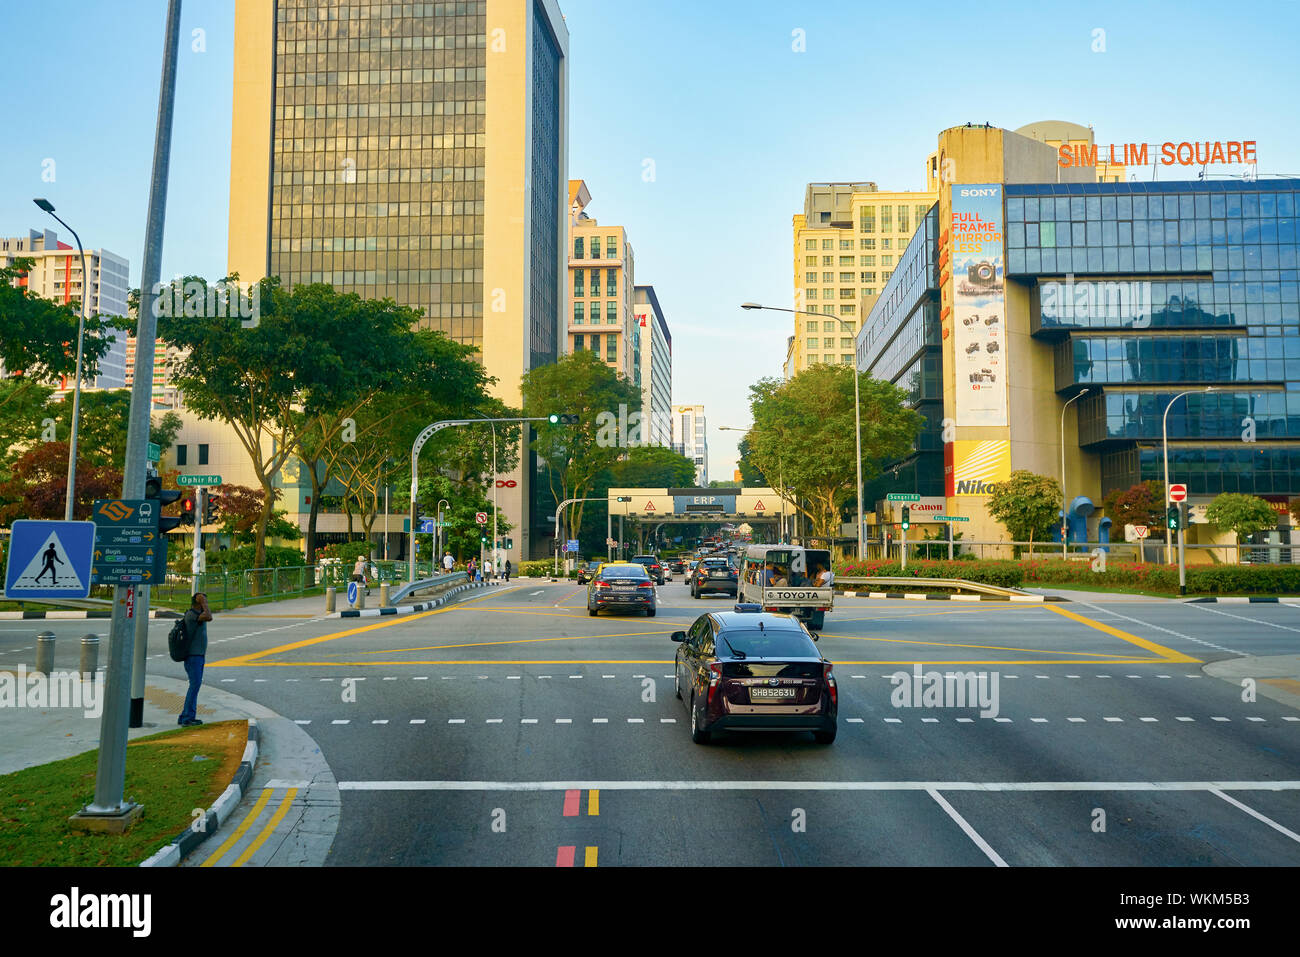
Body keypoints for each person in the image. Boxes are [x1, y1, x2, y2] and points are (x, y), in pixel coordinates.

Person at [178, 593, 213, 727]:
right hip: (193, 657)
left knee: (194, 686)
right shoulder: (192, 615)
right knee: (194, 686)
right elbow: (209, 616)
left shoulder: (195, 615)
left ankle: (184, 715)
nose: (207, 604)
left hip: (197, 656)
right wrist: (204, 603)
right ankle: (187, 717)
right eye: (205, 601)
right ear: (198, 602)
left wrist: (203, 602)